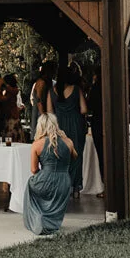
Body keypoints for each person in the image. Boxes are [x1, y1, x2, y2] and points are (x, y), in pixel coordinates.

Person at [23, 113, 76, 236]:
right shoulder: (68, 142)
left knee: (30, 184)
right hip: (64, 181)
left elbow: (34, 169)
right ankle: (51, 223)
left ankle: (37, 219)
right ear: (56, 125)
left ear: (40, 126)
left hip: (46, 179)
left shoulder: (37, 144)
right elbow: (75, 157)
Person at [53, 64, 90, 197]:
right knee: (76, 156)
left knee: (60, 156)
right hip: (75, 125)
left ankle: (62, 186)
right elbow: (84, 109)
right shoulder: (76, 89)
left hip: (58, 125)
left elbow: (49, 112)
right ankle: (75, 188)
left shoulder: (52, 90)